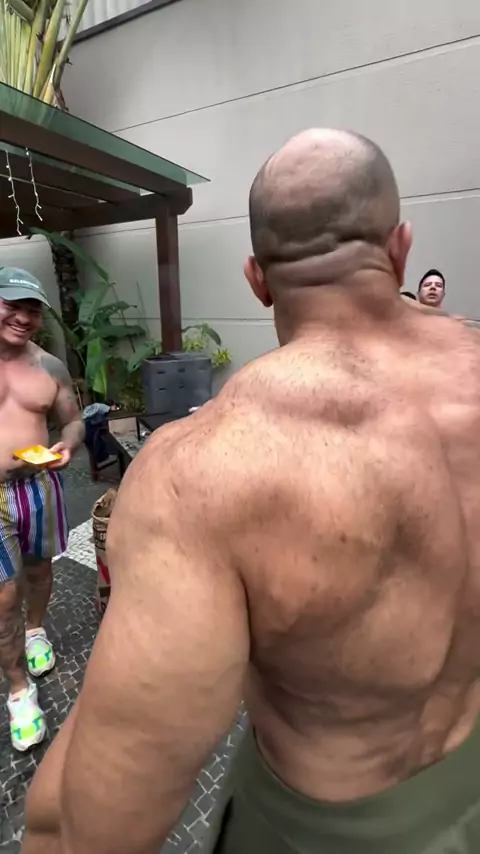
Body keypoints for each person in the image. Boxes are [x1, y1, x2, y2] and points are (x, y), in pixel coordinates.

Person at [22, 130, 480, 854]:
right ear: (400, 249)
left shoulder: (202, 473)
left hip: (329, 832)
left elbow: (102, 818)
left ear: (256, 279)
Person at [0, 266, 84, 752]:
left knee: (40, 570)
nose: (23, 317)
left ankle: (35, 631)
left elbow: (71, 420)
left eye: (32, 310)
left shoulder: (49, 366)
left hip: (39, 486)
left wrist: (68, 444)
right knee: (3, 595)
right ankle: (18, 693)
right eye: (12, 305)